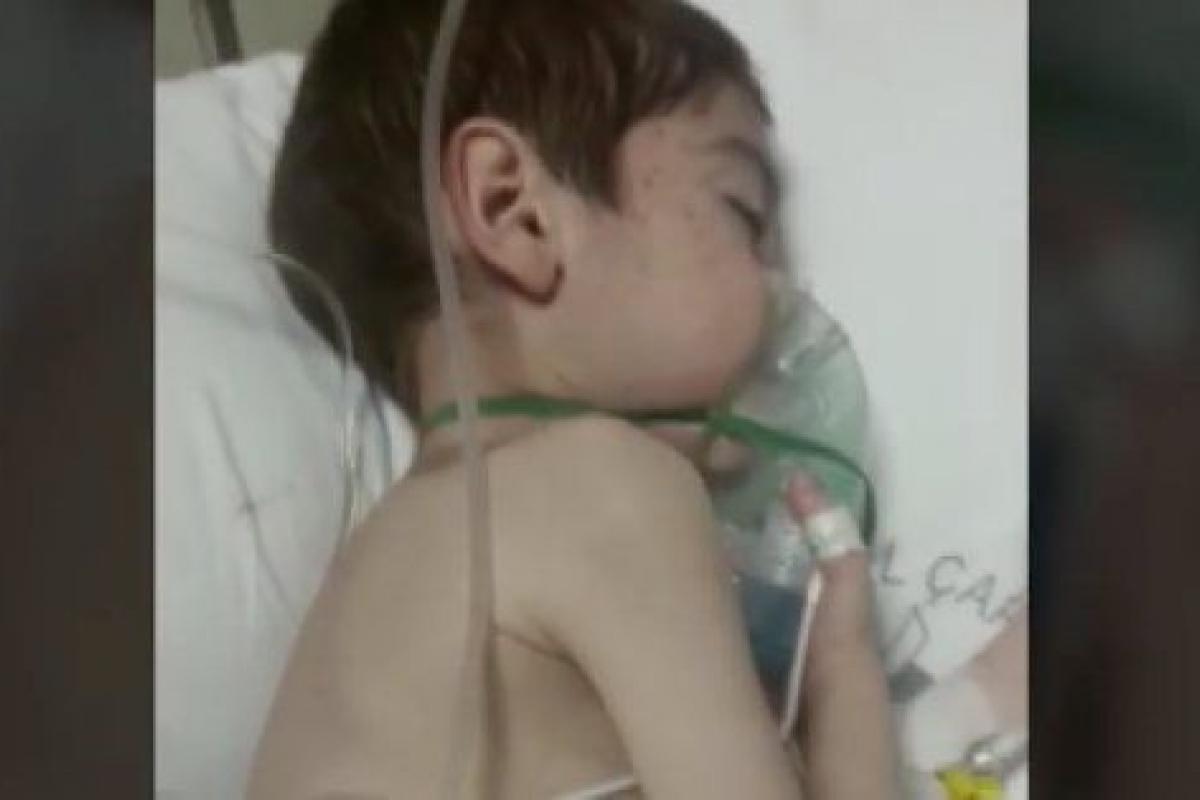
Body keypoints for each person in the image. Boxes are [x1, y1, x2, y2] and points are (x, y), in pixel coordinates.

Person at [249, 0, 900, 796]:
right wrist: (842, 683)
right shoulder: (609, 488)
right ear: (514, 212)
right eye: (741, 212)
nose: (778, 295)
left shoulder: (381, 566)